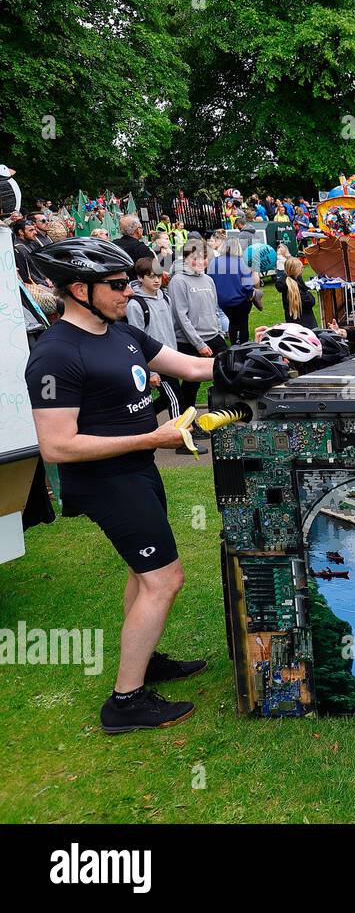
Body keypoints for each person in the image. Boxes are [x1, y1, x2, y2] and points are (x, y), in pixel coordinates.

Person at [23, 238, 213, 733]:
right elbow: (56, 447)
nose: (128, 290)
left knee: (142, 572)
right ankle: (125, 702)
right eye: (116, 284)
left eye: (128, 281)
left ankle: (144, 661)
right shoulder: (54, 355)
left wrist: (264, 357)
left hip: (137, 470)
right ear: (78, 288)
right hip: (107, 481)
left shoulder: (122, 332)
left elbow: (191, 366)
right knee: (164, 580)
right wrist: (154, 435)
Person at [125, 257, 187, 435]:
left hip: (170, 358)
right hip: (155, 363)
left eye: (158, 276)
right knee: (176, 398)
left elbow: (170, 329)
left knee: (169, 397)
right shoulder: (136, 304)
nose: (156, 280)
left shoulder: (165, 298)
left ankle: (138, 422)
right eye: (151, 276)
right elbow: (135, 341)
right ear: (140, 278)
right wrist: (150, 371)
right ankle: (180, 436)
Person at [168, 238, 226, 423]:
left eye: (203, 258)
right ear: (185, 258)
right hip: (190, 341)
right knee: (192, 385)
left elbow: (215, 308)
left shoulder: (208, 279)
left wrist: (219, 332)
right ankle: (188, 424)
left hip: (213, 337)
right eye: (195, 258)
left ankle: (222, 416)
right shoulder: (178, 281)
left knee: (228, 372)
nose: (200, 262)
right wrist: (199, 344)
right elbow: (181, 316)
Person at [208, 239, 254, 344]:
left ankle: (234, 345)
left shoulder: (214, 262)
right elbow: (248, 285)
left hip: (223, 301)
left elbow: (210, 281)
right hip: (241, 300)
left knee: (232, 323)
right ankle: (244, 347)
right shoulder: (241, 262)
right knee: (243, 324)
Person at [276, 256, 317, 329]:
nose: (303, 269)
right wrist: (307, 292)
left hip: (292, 324)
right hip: (306, 325)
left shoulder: (286, 283)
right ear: (296, 270)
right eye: (301, 267)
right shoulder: (295, 287)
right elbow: (311, 301)